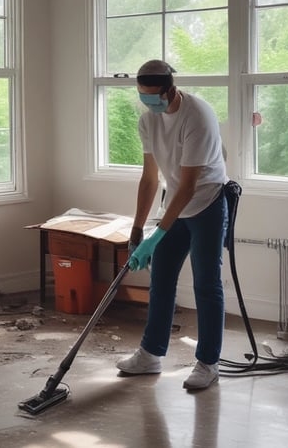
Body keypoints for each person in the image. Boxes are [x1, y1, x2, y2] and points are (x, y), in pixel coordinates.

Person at [116, 59, 228, 391]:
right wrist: (138, 229)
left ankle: (208, 363)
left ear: (171, 89)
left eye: (154, 96)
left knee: (206, 284)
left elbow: (190, 184)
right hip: (174, 204)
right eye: (143, 96)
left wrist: (158, 234)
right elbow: (150, 178)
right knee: (161, 279)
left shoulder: (198, 116)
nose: (149, 103)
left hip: (207, 202)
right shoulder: (148, 121)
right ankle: (151, 354)